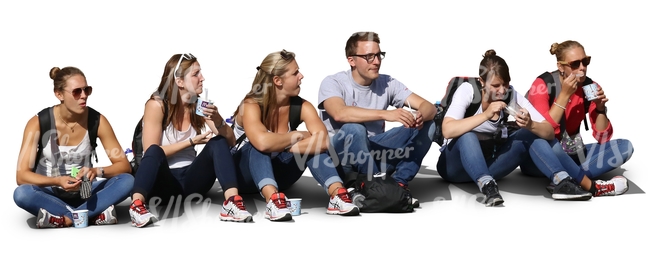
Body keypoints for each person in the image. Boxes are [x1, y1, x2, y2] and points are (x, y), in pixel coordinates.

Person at [436, 50, 593, 206]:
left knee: (528, 133)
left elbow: (549, 132)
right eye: (496, 86)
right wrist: (485, 115)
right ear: (482, 82)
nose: (502, 90)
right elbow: (448, 130)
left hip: (490, 166)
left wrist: (531, 124)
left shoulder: (510, 95)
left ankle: (561, 182)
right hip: (454, 169)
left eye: (505, 84)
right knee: (467, 136)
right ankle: (487, 186)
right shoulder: (468, 90)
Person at [231, 49, 359, 222]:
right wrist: (298, 135)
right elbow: (262, 142)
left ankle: (337, 195)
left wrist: (289, 145)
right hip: (245, 178)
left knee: (313, 149)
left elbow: (322, 141)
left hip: (280, 176)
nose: (301, 76)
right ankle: (272, 201)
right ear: (277, 81)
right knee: (257, 147)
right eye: (295, 73)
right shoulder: (251, 104)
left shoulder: (303, 106)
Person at [129, 53, 252, 228]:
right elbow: (151, 152)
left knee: (218, 141)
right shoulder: (156, 105)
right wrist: (191, 142)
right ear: (179, 81)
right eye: (195, 74)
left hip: (192, 182)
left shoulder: (199, 105)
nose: (202, 78)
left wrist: (218, 120)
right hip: (164, 183)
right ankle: (137, 206)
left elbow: (231, 141)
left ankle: (232, 202)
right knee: (155, 150)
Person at [318, 31, 437, 208]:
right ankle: (378, 188)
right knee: (355, 129)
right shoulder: (333, 82)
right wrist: (386, 114)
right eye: (369, 56)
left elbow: (429, 107)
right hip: (343, 160)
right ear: (351, 60)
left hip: (374, 154)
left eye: (379, 55)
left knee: (430, 125)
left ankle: (398, 184)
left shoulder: (387, 83)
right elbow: (339, 113)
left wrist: (420, 116)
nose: (377, 61)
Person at [13, 66, 134, 228]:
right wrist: (57, 180)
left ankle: (65, 218)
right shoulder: (38, 122)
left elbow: (124, 166)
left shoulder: (97, 121)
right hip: (49, 193)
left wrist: (96, 171)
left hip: (85, 192)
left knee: (127, 181)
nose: (84, 96)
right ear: (59, 94)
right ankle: (90, 215)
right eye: (77, 92)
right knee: (22, 194)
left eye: (87, 90)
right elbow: (22, 176)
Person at [523, 40, 633, 197]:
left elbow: (603, 137)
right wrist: (565, 95)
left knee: (625, 147)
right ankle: (583, 181)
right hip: (541, 155)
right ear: (560, 66)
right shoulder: (543, 85)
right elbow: (545, 131)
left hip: (572, 152)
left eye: (585, 61)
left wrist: (600, 108)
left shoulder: (589, 86)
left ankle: (566, 179)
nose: (582, 68)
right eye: (575, 64)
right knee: (550, 144)